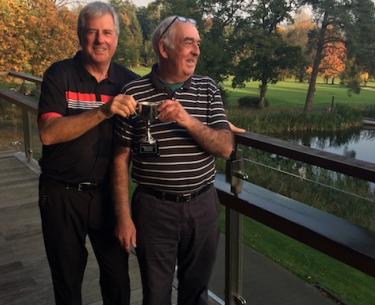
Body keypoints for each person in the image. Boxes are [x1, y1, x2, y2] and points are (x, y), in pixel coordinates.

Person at [113, 15, 234, 305]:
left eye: (198, 44)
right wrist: (124, 218)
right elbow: (120, 159)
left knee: (195, 294)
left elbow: (226, 147)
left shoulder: (208, 88)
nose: (196, 51)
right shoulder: (133, 93)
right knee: (156, 295)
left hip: (202, 207)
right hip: (154, 210)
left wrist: (186, 120)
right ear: (163, 48)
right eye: (188, 42)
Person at [37, 2, 137, 305]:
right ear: (80, 36)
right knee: (67, 280)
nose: (100, 40)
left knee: (118, 280)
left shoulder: (128, 81)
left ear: (116, 39)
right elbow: (49, 133)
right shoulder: (59, 75)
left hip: (108, 195)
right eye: (92, 32)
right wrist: (104, 111)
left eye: (107, 33)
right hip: (61, 195)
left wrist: (213, 119)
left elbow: (165, 102)